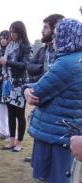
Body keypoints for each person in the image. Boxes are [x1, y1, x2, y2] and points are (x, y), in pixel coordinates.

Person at [25, 18, 82, 183]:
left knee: (58, 177)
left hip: (58, 132)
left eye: (58, 36)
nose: (55, 40)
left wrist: (27, 90)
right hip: (71, 128)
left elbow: (39, 92)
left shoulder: (66, 63)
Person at [24, 14, 65, 162]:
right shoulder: (43, 50)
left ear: (56, 29)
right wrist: (42, 72)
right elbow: (29, 66)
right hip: (42, 94)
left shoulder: (63, 53)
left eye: (46, 27)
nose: (42, 31)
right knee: (41, 128)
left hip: (58, 101)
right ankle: (39, 158)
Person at [0, 21, 32, 152]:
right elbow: (6, 63)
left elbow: (25, 65)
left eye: (14, 31)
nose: (12, 34)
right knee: (10, 113)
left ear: (20, 31)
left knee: (19, 114)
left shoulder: (26, 46)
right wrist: (0, 62)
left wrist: (8, 62)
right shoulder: (10, 45)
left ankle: (19, 142)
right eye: (10, 31)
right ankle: (11, 141)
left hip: (20, 83)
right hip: (8, 82)